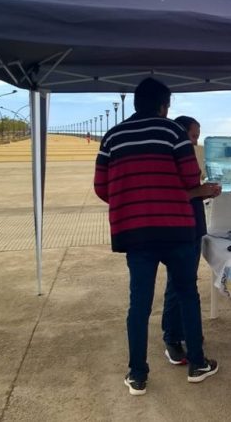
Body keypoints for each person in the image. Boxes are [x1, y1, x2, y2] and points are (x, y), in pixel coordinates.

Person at [94, 78, 219, 396]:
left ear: (136, 103)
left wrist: (133, 201)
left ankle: (137, 375)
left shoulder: (112, 136)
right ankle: (197, 364)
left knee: (139, 304)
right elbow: (191, 178)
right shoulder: (173, 133)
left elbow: (101, 186)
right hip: (176, 229)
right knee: (187, 295)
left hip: (135, 233)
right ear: (164, 105)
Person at [161, 116, 221, 366]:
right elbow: (172, 195)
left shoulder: (182, 156)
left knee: (182, 283)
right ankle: (173, 338)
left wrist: (203, 190)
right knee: (179, 285)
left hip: (192, 227)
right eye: (194, 136)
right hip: (181, 229)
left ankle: (182, 332)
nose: (196, 141)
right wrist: (202, 191)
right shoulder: (172, 157)